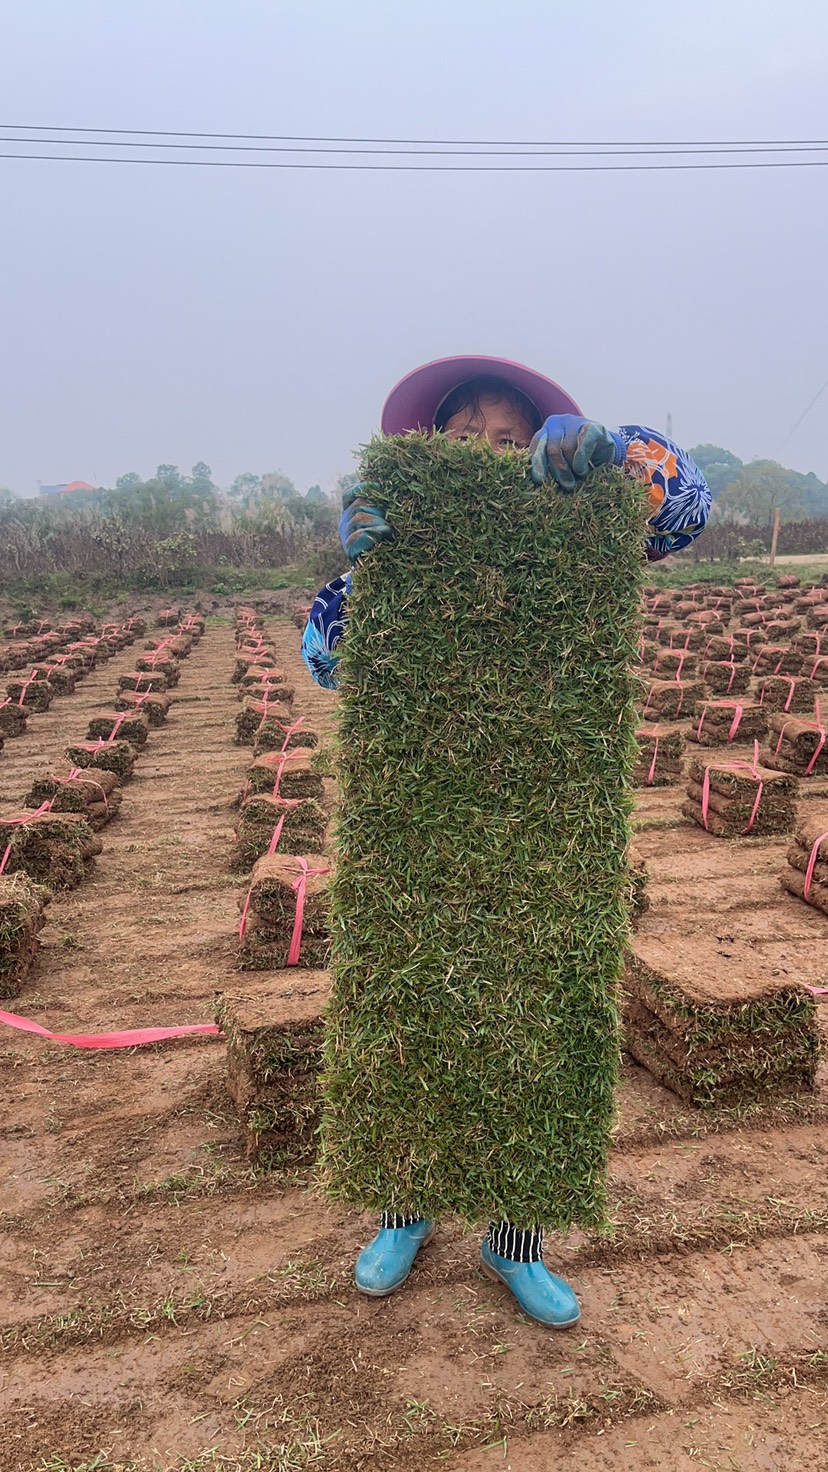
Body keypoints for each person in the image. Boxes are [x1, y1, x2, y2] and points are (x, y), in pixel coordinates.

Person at [302, 354, 710, 1327]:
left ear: (537, 451)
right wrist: (366, 569)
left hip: (546, 821)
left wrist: (615, 454)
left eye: (509, 437)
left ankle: (515, 1239)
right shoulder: (404, 551)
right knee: (417, 1010)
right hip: (426, 829)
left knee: (541, 1024)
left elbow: (688, 507)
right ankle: (406, 1209)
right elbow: (326, 658)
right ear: (431, 451)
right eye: (465, 437)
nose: (486, 452)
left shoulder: (578, 529)